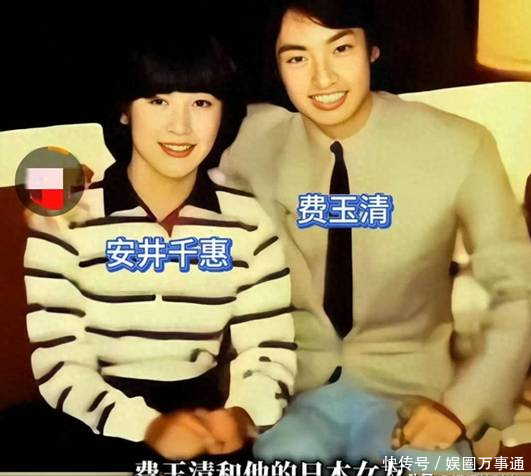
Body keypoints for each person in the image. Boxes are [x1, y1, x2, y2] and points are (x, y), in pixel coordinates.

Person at [216, 0, 531, 467]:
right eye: (297, 58)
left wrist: (461, 410)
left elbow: (518, 290)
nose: (322, 78)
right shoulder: (248, 143)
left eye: (341, 48)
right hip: (291, 400)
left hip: (415, 397)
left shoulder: (458, 145)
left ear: (372, 50)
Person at [10, 33, 296, 471]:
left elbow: (267, 347)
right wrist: (148, 427)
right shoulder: (66, 214)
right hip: (90, 417)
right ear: (125, 110)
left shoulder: (249, 220)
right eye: (158, 101)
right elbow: (59, 360)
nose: (181, 127)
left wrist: (243, 414)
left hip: (205, 413)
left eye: (201, 103)